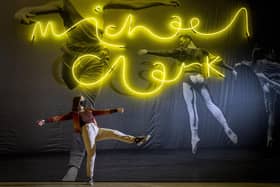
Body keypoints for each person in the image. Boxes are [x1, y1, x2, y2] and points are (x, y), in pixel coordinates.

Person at [14, 0, 180, 181]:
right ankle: (68, 57)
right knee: (70, 83)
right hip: (72, 58)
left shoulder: (102, 3)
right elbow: (32, 10)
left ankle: (73, 166)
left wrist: (160, 1)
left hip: (97, 60)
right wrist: (22, 11)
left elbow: (133, 5)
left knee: (81, 109)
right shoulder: (65, 4)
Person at [138, 34, 238, 154]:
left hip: (188, 78)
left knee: (191, 108)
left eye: (181, 40)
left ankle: (194, 137)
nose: (180, 43)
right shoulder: (203, 51)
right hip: (200, 77)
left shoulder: (181, 51)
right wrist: (231, 69)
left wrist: (148, 51)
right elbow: (218, 62)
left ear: (188, 39)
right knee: (210, 103)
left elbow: (166, 52)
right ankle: (226, 127)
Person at [36, 96, 151, 185]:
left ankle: (136, 140)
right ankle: (90, 178)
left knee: (115, 133)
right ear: (78, 103)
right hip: (86, 130)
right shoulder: (74, 113)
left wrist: (115, 110)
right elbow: (59, 118)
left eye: (83, 101)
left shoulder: (89, 110)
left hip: (96, 130)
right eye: (81, 101)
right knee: (92, 153)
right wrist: (45, 120)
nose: (83, 102)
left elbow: (103, 111)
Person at [235, 47, 280, 148]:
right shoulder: (263, 62)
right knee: (270, 112)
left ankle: (269, 138)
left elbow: (245, 63)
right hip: (267, 86)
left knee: (270, 112)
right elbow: (276, 65)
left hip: (266, 86)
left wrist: (239, 64)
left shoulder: (254, 64)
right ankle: (269, 137)